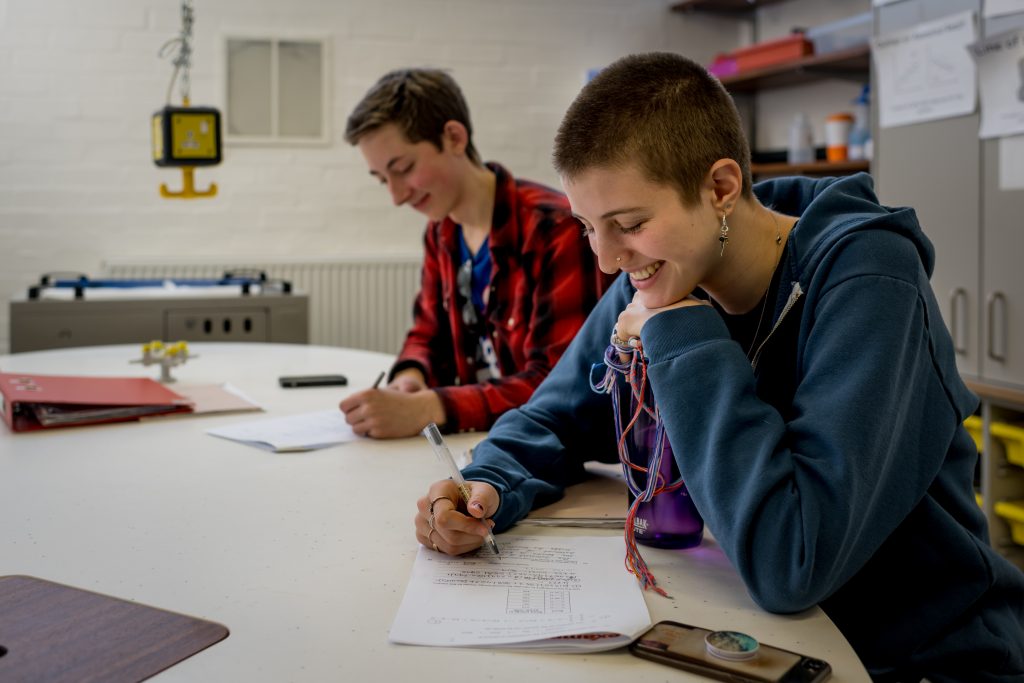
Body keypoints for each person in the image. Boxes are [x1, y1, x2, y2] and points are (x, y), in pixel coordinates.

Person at [414, 52, 1024, 681]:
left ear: (721, 188)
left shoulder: (868, 280)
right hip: (775, 643)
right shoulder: (664, 268)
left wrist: (680, 333)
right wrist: (487, 485)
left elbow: (793, 561)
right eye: (589, 228)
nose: (606, 262)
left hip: (921, 657)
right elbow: (554, 416)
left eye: (628, 224)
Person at [340, 68, 612, 438]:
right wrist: (410, 377)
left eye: (403, 169)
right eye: (382, 179)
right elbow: (427, 332)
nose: (397, 195)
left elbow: (560, 385)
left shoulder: (556, 229)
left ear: (454, 137)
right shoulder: (441, 232)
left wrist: (431, 407)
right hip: (484, 440)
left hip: (552, 450)